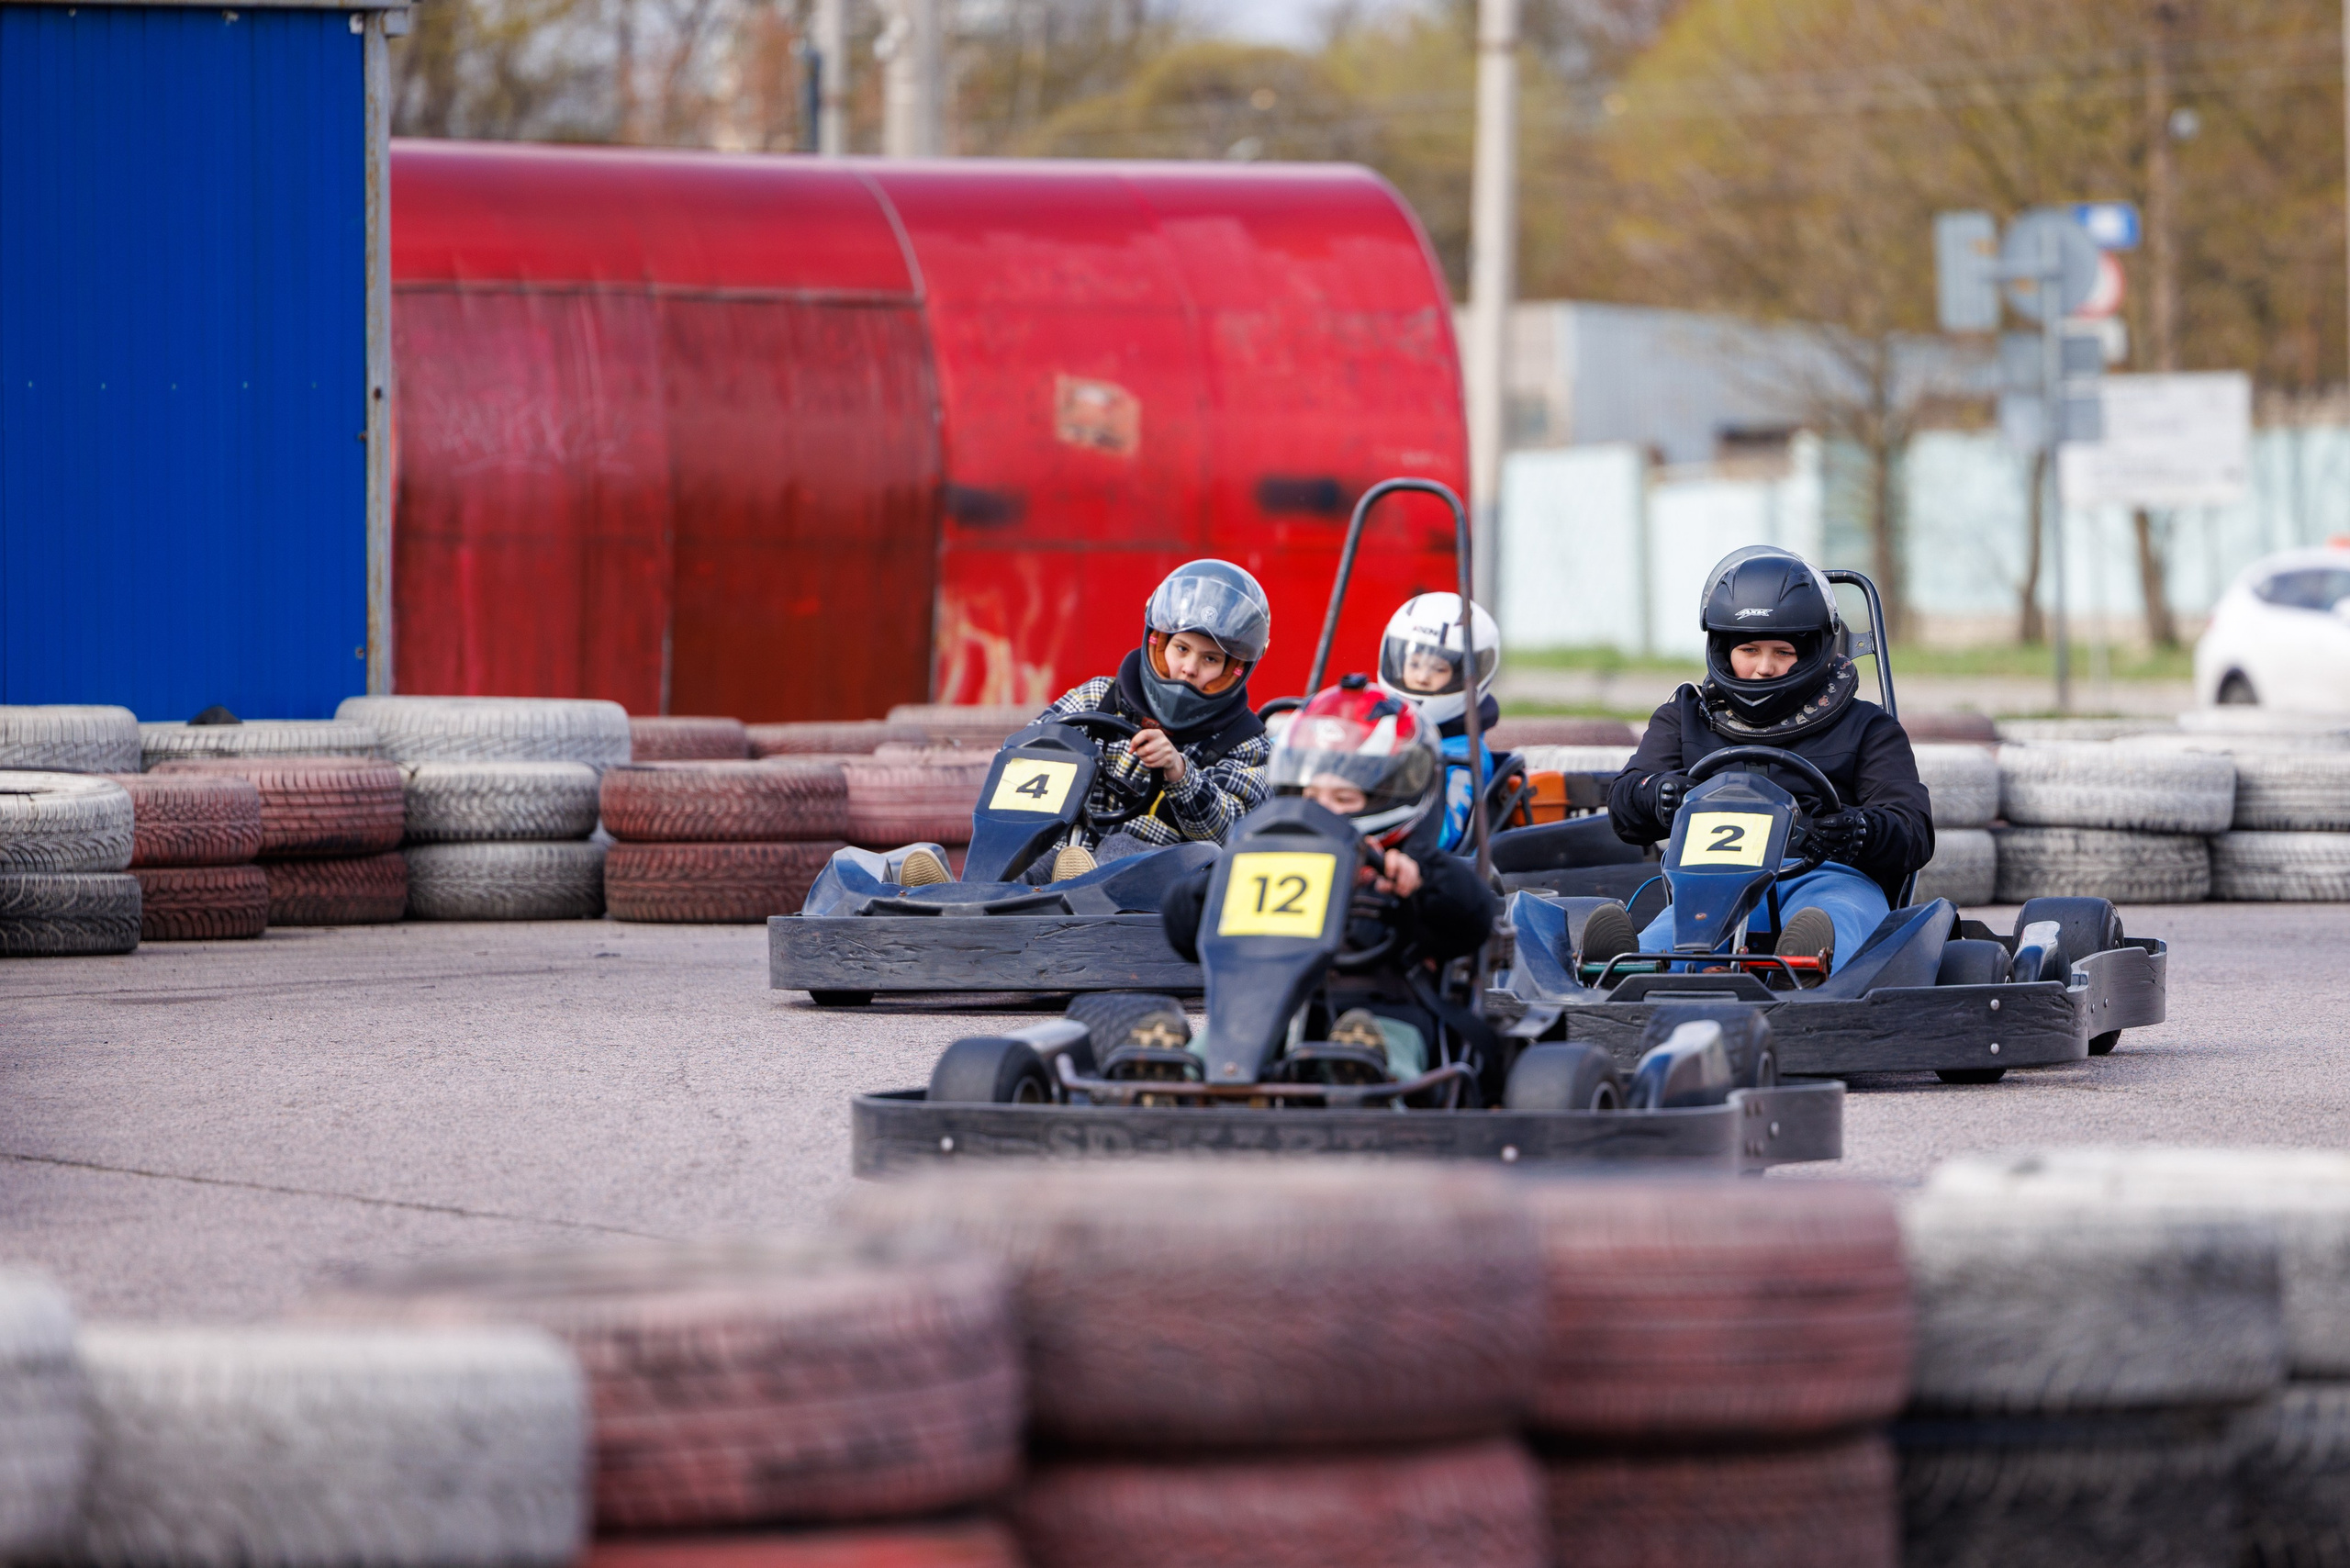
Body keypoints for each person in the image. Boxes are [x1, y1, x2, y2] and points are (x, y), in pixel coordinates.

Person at [1600, 545, 1933, 978]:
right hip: (1707, 889)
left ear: (1815, 649)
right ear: (1722, 648)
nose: (1764, 667)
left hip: (1826, 876)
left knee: (1830, 921)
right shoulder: (1685, 716)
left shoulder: (1867, 726)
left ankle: (1808, 970)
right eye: (1750, 650)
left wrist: (1858, 830)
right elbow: (1626, 800)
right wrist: (1658, 795)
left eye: (1782, 651)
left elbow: (1913, 827)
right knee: (1668, 939)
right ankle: (1631, 970)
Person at [1160, 679, 1499, 1088]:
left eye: (1343, 800)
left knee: (1386, 1048)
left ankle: (1366, 1083)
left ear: (1387, 795)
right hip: (1266, 1010)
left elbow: (1474, 915)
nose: (1322, 811)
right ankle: (1179, 1080)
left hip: (1385, 1011)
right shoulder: (1271, 859)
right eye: (1312, 796)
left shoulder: (1412, 864)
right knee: (1219, 1044)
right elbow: (1181, 929)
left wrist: (1417, 886)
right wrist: (1215, 887)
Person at [901, 560, 1274, 887]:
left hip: (1161, 881)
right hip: (1070, 853)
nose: (1190, 668)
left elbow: (1231, 833)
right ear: (1158, 643)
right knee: (1033, 856)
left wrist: (1179, 772)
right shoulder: (1101, 697)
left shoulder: (1244, 742)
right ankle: (964, 894)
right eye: (1181, 649)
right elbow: (1024, 755)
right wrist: (1075, 761)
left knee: (1123, 849)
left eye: (1210, 659)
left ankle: (1079, 889)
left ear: (1234, 670)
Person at [1374, 593, 1502, 856]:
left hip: (1422, 870)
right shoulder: (1379, 725)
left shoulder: (1464, 755)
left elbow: (1441, 839)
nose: (1421, 677)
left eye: (1438, 668)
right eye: (1415, 664)